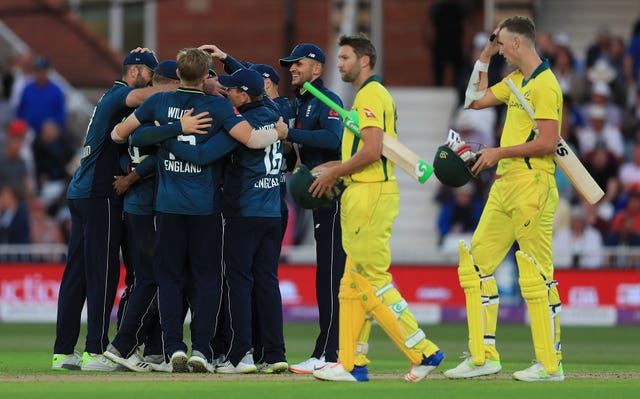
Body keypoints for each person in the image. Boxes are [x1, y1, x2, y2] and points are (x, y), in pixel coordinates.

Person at [109, 47, 287, 373]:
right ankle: (202, 350)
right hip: (205, 207)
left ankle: (174, 346)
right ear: (207, 76)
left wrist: (169, 132)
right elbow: (248, 139)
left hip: (167, 207)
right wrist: (279, 131)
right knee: (207, 280)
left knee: (170, 279)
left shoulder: (159, 102)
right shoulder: (219, 106)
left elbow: (119, 134)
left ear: (177, 74)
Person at [307, 33, 444, 383]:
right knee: (350, 284)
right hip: (364, 192)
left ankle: (423, 351)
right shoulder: (371, 96)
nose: (339, 64)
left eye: (345, 57)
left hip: (369, 195)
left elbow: (371, 150)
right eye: (339, 58)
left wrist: (335, 171)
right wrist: (335, 167)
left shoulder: (370, 95)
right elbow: (366, 150)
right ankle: (351, 364)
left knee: (372, 280)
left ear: (365, 60)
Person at [445, 16, 565, 382]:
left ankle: (550, 365)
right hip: (505, 183)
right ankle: (483, 358)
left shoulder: (546, 85)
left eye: (500, 44)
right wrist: (483, 55)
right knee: (475, 265)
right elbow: (473, 101)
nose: (500, 51)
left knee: (536, 274)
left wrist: (499, 152)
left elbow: (548, 142)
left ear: (516, 44)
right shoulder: (515, 82)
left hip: (533, 183)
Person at [51, 48, 170, 372]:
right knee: (103, 273)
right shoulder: (121, 95)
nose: (152, 82)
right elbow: (141, 99)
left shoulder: (110, 97)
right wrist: (185, 87)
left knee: (76, 273)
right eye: (150, 75)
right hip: (99, 193)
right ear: (135, 72)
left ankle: (63, 352)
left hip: (83, 192)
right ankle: (95, 350)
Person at [165, 68, 288, 374]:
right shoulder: (273, 113)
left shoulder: (242, 124)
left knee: (239, 284)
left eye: (231, 88)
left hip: (244, 212)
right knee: (268, 283)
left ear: (244, 95)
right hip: (273, 212)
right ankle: (274, 354)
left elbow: (206, 154)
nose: (223, 90)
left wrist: (168, 138)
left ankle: (240, 355)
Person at [102, 60, 181, 373]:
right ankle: (124, 345)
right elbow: (154, 153)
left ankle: (147, 346)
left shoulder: (144, 111)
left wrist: (127, 175)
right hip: (145, 207)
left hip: (139, 206)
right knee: (147, 279)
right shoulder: (160, 110)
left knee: (144, 278)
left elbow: (124, 141)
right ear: (171, 83)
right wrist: (131, 178)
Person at [278, 43, 346, 373]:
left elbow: (334, 140)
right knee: (326, 275)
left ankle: (330, 353)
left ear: (317, 69)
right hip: (318, 197)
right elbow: (298, 149)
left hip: (333, 196)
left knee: (331, 276)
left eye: (298, 64)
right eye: (290, 64)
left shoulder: (326, 98)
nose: (292, 68)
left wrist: (288, 132)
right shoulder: (301, 101)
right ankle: (329, 349)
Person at [16, 56, 66, 137]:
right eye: (37, 71)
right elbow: (20, 111)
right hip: (29, 133)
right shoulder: (27, 89)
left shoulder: (56, 91)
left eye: (42, 71)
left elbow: (61, 116)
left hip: (48, 134)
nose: (40, 74)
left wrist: (53, 126)